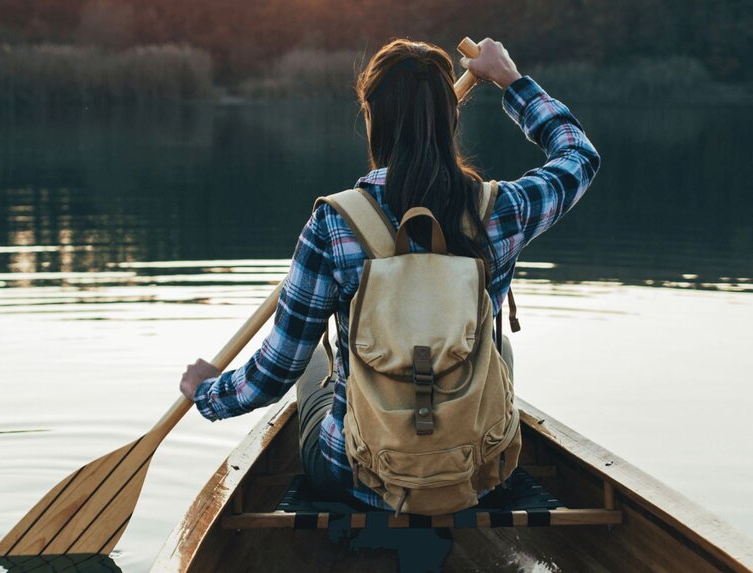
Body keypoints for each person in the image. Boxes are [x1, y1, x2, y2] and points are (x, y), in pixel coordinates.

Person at [179, 37, 600, 509]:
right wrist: (511, 80)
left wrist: (208, 392)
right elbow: (579, 157)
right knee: (495, 344)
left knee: (316, 365)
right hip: (478, 471)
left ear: (372, 118)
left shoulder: (335, 222)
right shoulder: (501, 210)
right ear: (452, 117)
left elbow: (274, 374)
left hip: (357, 472)